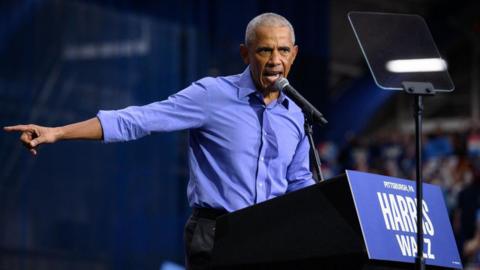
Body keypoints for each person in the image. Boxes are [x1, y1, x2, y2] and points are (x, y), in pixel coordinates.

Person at [4, 13, 315, 269]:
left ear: (294, 54)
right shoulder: (212, 95)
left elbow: (299, 180)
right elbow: (139, 119)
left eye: (283, 50)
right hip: (217, 234)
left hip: (271, 236)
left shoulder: (298, 114)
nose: (275, 59)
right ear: (246, 53)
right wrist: (57, 132)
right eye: (265, 50)